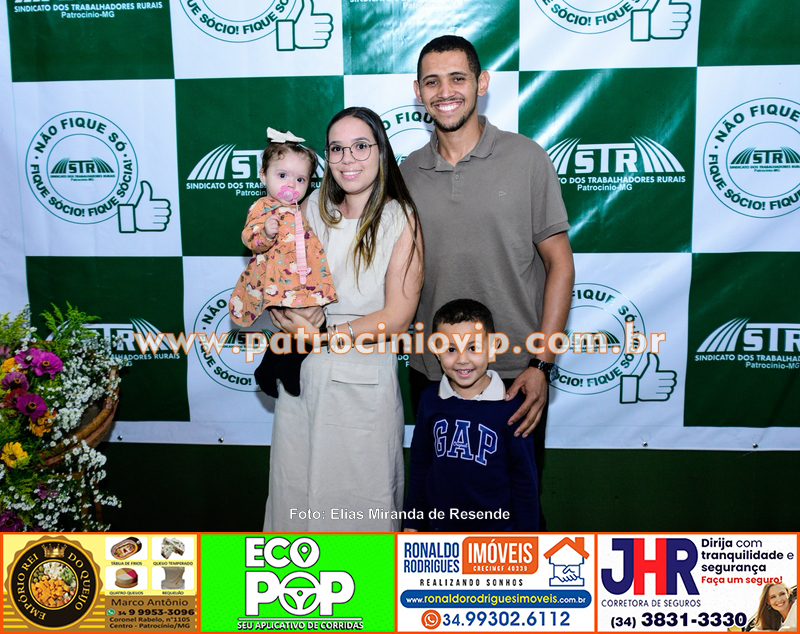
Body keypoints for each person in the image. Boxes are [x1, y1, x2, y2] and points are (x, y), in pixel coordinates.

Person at [400, 35, 575, 529]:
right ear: (418, 91)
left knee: (515, 511)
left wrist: (542, 364)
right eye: (432, 82)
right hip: (433, 372)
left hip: (517, 373)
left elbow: (561, 265)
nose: (445, 92)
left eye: (458, 78)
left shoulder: (527, 158)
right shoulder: (407, 172)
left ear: (482, 83)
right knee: (437, 506)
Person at [263, 107, 423, 532]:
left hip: (362, 387)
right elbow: (275, 276)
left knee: (359, 509)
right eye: (337, 149)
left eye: (360, 146)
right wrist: (282, 312)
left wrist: (324, 335)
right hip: (301, 382)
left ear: (381, 151)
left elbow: (398, 316)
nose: (348, 158)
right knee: (295, 499)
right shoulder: (309, 208)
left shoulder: (399, 218)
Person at [403, 299, 538, 532]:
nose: (462, 359)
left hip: (498, 536)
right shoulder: (430, 400)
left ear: (492, 348)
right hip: (441, 532)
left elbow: (524, 480)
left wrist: (527, 538)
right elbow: (420, 466)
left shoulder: (513, 406)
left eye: (473, 348)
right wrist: (412, 524)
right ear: (436, 351)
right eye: (451, 349)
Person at [229, 129, 337, 397]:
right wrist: (265, 233)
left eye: (300, 179)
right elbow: (249, 239)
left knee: (304, 326)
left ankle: (270, 368)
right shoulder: (263, 207)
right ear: (263, 175)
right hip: (280, 281)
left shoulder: (299, 209)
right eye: (282, 176)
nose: (291, 184)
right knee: (305, 326)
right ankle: (286, 367)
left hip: (302, 279)